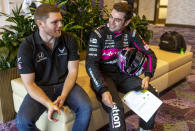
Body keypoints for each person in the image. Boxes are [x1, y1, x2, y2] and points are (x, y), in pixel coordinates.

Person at [16, 3, 92, 131]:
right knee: (22, 122)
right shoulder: (27, 47)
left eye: (60, 21)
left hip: (64, 83)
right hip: (40, 87)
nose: (60, 25)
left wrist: (63, 95)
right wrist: (49, 104)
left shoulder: (69, 40)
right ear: (40, 24)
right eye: (55, 22)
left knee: (86, 107)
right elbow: (29, 84)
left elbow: (73, 72)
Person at [86, 2, 158, 131]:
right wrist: (103, 90)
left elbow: (150, 54)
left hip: (124, 75)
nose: (112, 22)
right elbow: (91, 64)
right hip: (104, 76)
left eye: (117, 20)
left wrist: (147, 76)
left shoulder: (131, 33)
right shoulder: (98, 34)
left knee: (152, 94)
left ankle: (145, 128)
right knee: (116, 108)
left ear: (126, 22)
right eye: (111, 17)